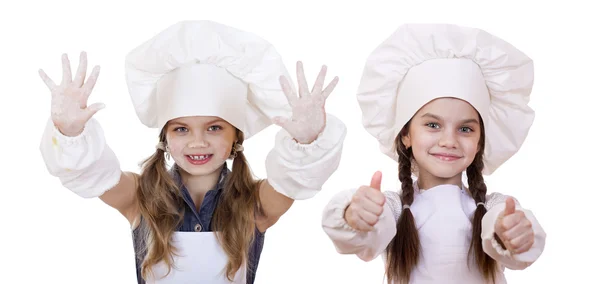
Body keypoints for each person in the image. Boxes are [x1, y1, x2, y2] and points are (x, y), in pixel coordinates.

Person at [39, 20, 347, 284]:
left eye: (214, 128)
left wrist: (307, 142)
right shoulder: (139, 196)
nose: (197, 142)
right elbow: (91, 174)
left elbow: (292, 180)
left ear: (236, 135)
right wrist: (70, 133)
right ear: (165, 136)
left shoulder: (255, 204)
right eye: (181, 129)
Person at [321, 23, 546, 284]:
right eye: (433, 125)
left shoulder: (493, 209)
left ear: (480, 141)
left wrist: (515, 233)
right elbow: (361, 235)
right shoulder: (394, 208)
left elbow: (505, 232)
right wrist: (355, 215)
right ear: (405, 134)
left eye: (465, 128)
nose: (449, 141)